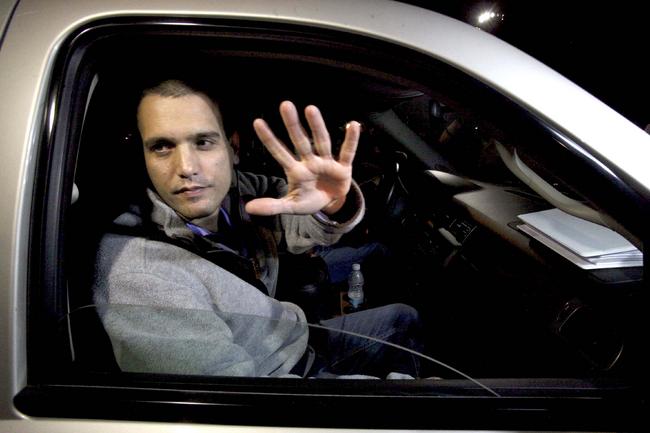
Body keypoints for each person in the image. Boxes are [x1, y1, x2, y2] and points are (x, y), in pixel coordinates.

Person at [93, 79, 422, 378]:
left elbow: (296, 221)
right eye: (162, 146)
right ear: (143, 156)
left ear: (232, 147)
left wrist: (331, 206)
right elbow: (236, 402)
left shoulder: (237, 190)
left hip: (292, 334)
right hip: (278, 372)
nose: (187, 168)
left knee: (403, 318)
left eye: (203, 142)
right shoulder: (142, 277)